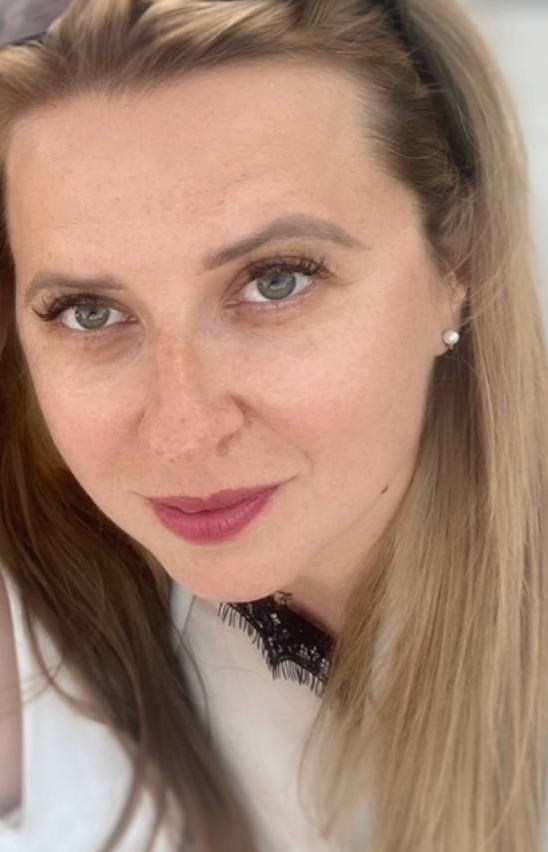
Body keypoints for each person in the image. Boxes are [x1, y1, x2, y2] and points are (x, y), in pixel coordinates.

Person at [0, 0, 546, 851]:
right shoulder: (55, 603)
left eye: (277, 281)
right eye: (89, 312)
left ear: (458, 267)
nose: (181, 433)